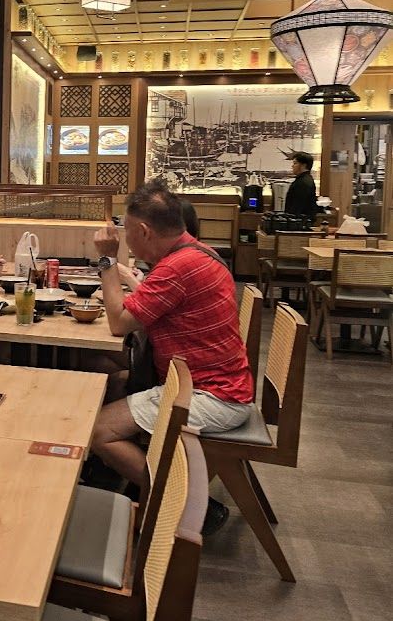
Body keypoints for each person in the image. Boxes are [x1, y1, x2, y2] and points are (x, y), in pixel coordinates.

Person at [90, 179, 252, 505]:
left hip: (212, 395)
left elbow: (119, 323)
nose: (126, 240)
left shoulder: (177, 267)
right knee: (111, 378)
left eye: (127, 232)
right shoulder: (197, 252)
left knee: (98, 431)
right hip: (215, 382)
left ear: (144, 231)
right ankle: (118, 480)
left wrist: (107, 258)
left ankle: (184, 504)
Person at [284, 151, 317, 219]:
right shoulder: (303, 179)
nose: (292, 166)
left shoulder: (303, 182)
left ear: (303, 165)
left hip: (299, 221)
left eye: (295, 163)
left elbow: (298, 205)